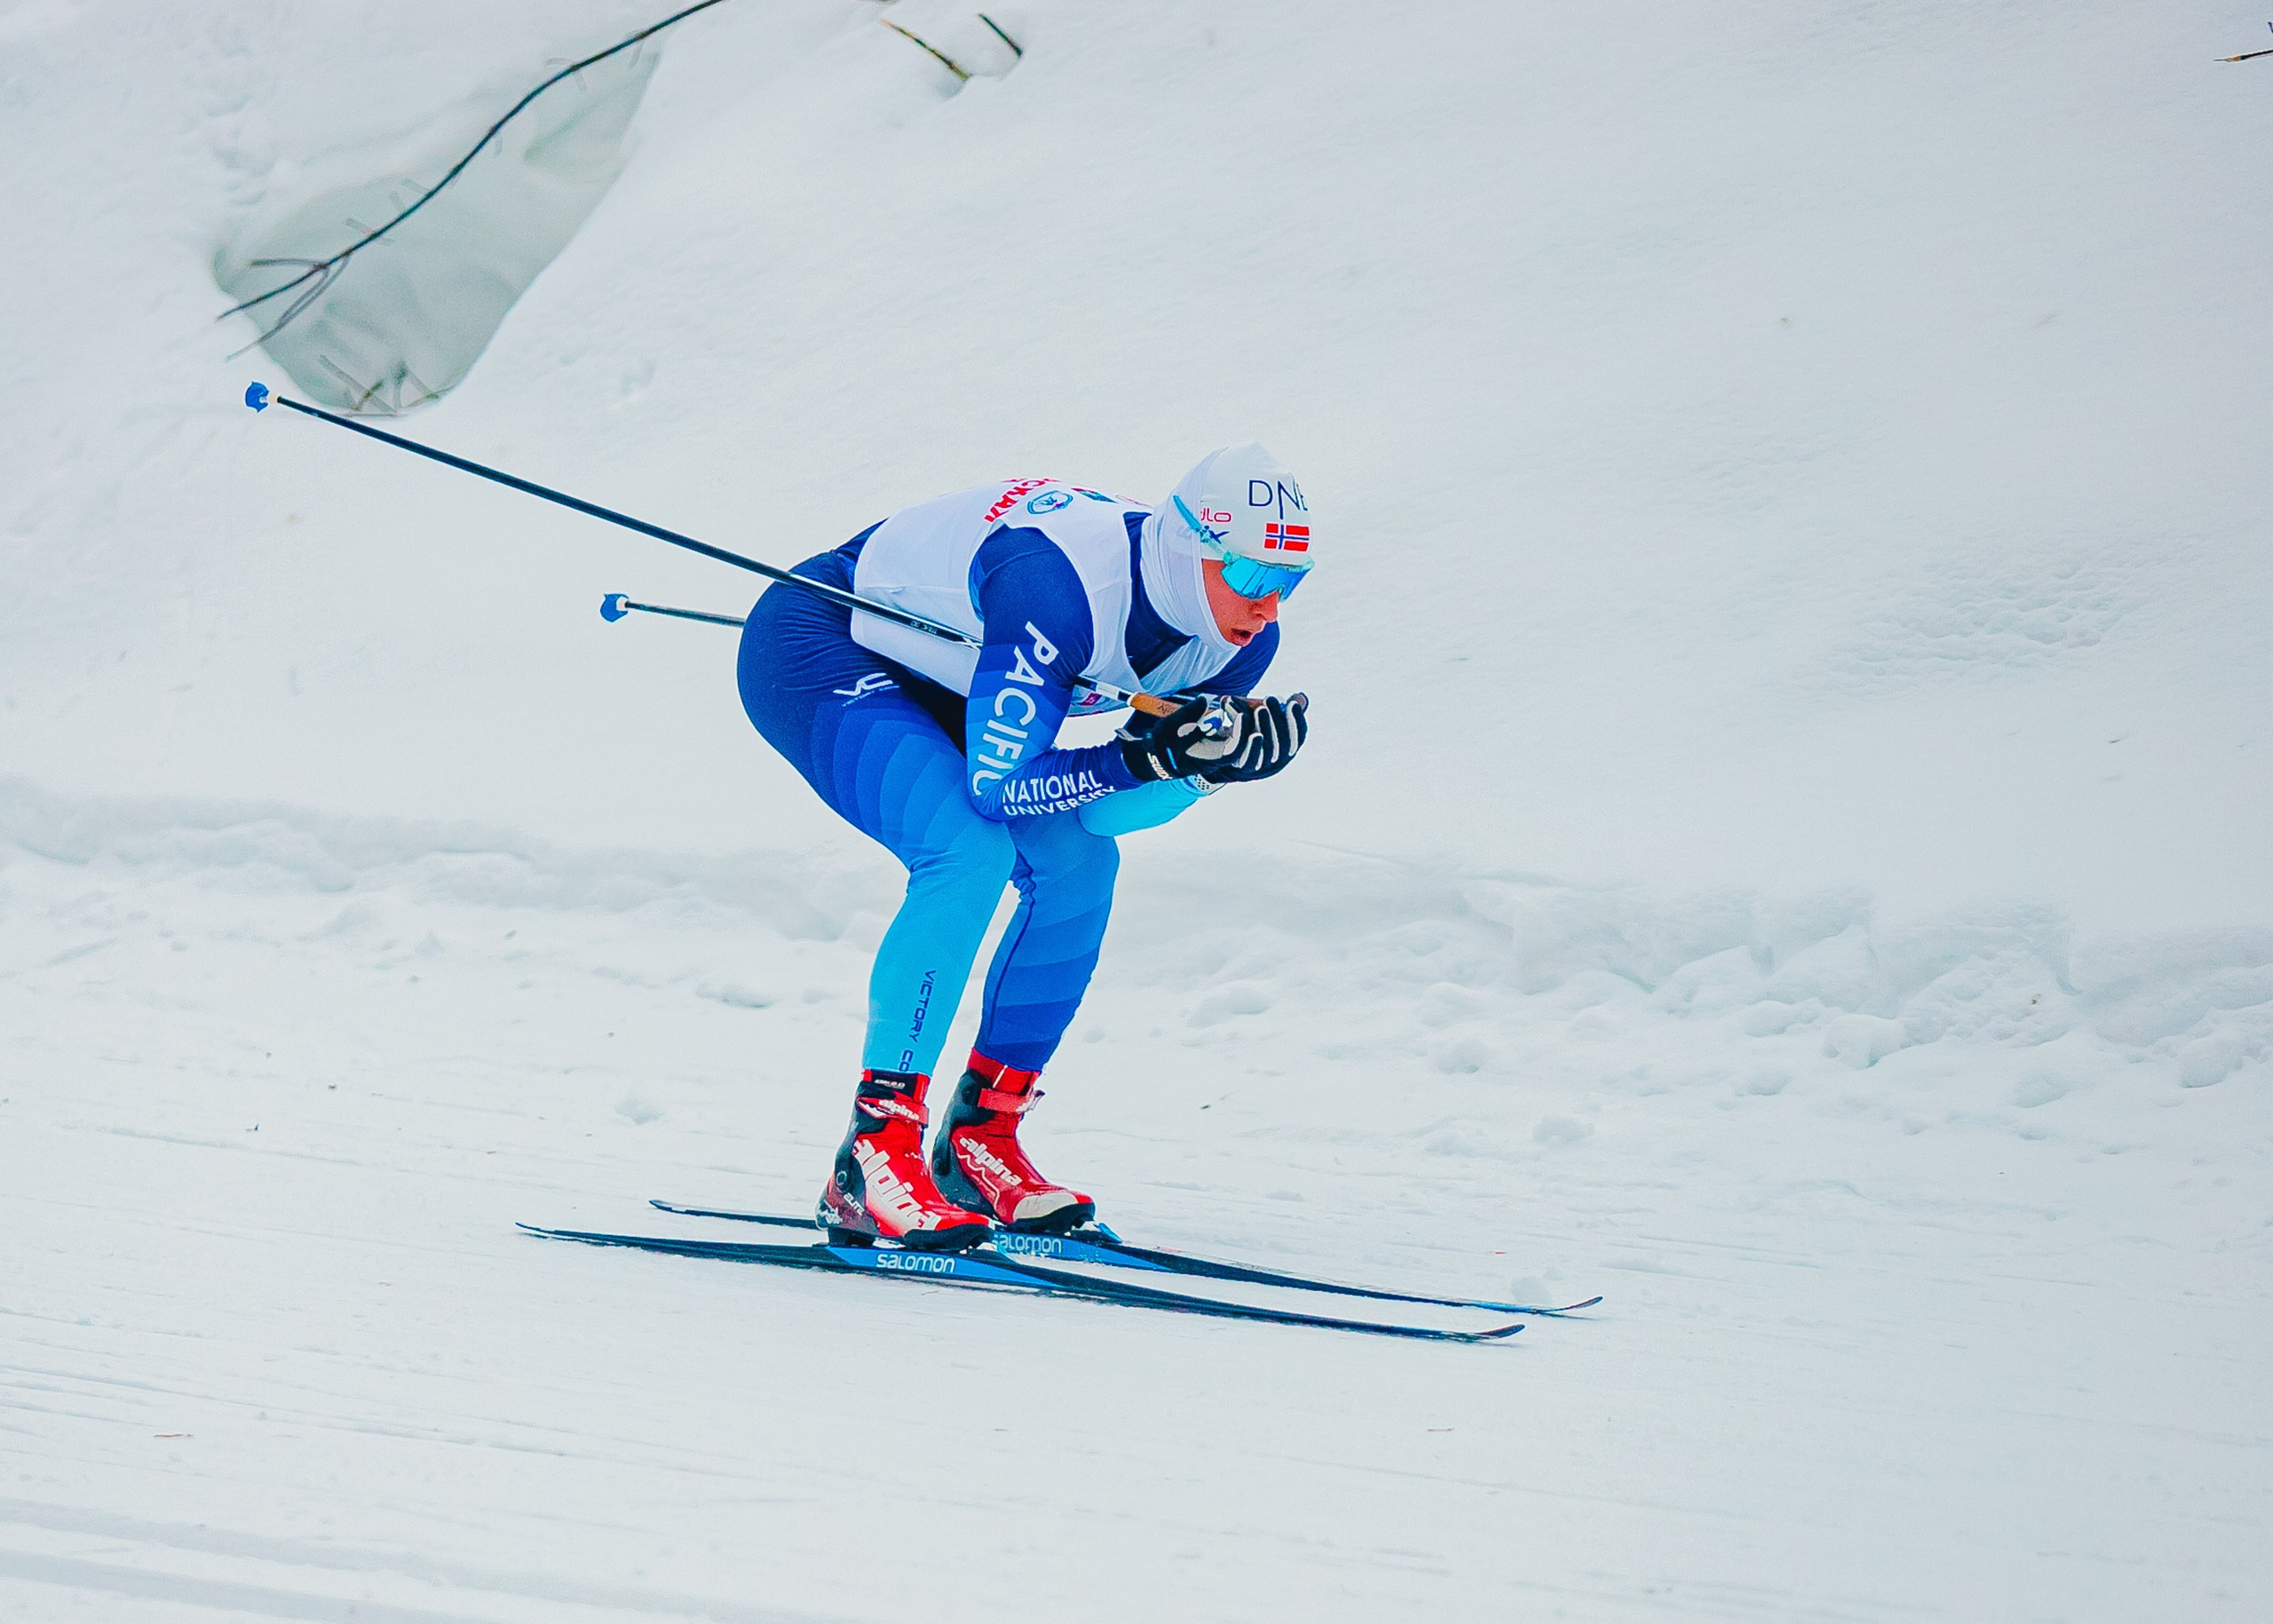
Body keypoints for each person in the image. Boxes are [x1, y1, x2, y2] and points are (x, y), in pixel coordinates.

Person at [736, 444, 1314, 1250]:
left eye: (1291, 583)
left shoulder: (1236, 641)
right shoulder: (1062, 586)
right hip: (825, 645)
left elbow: (1106, 818)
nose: (1269, 607)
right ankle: (874, 1150)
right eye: (1253, 577)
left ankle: (980, 1138)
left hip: (957, 679)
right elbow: (1000, 789)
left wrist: (1200, 773)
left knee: (1078, 866)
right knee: (966, 850)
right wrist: (1147, 755)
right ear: (1192, 549)